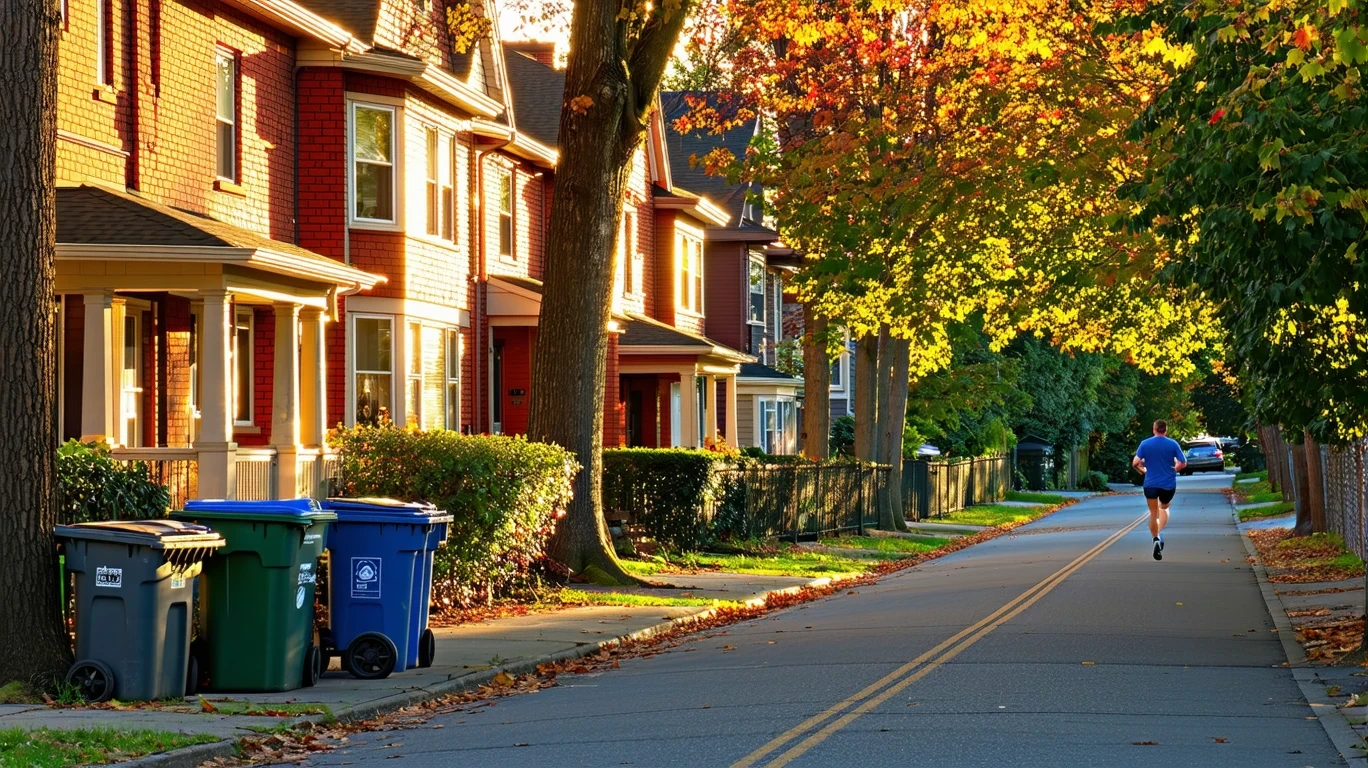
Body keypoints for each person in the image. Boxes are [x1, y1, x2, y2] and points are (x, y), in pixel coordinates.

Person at [1132, 420, 1188, 561]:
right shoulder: (1172, 444)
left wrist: (1143, 471)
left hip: (1150, 484)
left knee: (1153, 513)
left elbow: (1135, 462)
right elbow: (1183, 462)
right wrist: (1175, 469)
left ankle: (1156, 538)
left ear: (1154, 429)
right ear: (1165, 430)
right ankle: (1159, 532)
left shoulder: (1145, 444)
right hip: (1168, 485)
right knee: (1164, 508)